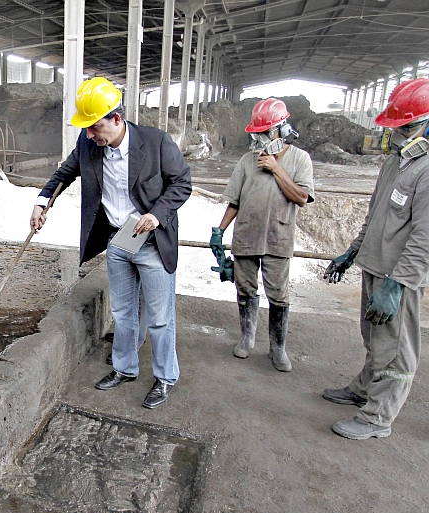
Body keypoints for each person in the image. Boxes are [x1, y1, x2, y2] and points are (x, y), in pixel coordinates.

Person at [30, 77, 191, 409]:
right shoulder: (89, 144)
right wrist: (42, 202)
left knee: (160, 315)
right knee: (122, 310)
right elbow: (63, 174)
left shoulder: (156, 142)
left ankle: (164, 378)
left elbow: (182, 183)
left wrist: (158, 214)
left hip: (152, 240)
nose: (91, 134)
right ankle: (125, 368)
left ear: (116, 119)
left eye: (96, 127)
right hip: (120, 238)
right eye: (87, 128)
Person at [322, 78, 429, 440]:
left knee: (396, 348)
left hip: (398, 276)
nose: (398, 133)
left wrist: (397, 285)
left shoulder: (427, 169)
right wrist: (352, 251)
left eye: (407, 127)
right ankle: (365, 389)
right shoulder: (395, 163)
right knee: (374, 335)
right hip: (375, 264)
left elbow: (424, 237)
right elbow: (376, 215)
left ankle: (377, 418)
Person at [210, 98, 314, 372]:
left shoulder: (299, 159)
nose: (259, 139)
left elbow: (301, 197)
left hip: (277, 237)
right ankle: (247, 337)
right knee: (245, 288)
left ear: (282, 130)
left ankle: (277, 348)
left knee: (278, 294)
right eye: (257, 134)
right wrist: (219, 231)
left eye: (265, 133)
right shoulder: (246, 162)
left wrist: (276, 168)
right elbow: (234, 201)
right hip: (246, 236)